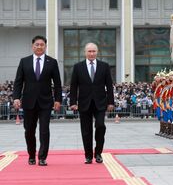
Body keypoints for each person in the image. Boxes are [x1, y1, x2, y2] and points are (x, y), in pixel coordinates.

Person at [13, 35, 62, 166]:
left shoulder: (52, 62)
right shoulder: (24, 61)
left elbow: (57, 83)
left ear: (45, 47)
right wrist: (16, 97)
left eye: (42, 45)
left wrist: (58, 100)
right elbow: (18, 82)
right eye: (37, 44)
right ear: (32, 46)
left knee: (44, 129)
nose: (39, 46)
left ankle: (42, 157)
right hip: (29, 102)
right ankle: (31, 155)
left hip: (46, 102)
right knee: (29, 130)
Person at [69, 42, 115, 164]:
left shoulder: (104, 66)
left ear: (97, 52)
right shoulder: (78, 67)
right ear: (85, 52)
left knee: (100, 126)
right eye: (89, 51)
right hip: (84, 103)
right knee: (86, 130)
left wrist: (111, 102)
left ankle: (98, 152)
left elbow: (109, 85)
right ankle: (88, 155)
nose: (91, 53)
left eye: (93, 51)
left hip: (100, 103)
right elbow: (74, 86)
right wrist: (73, 101)